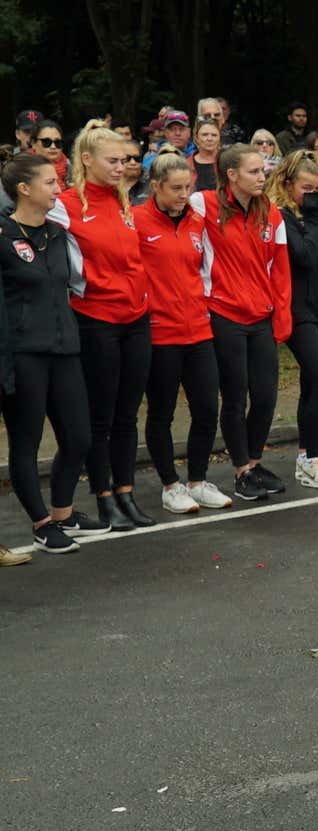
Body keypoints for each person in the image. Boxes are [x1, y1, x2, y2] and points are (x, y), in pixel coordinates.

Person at [50, 122, 154, 531]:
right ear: (87, 160)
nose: (122, 167)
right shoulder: (66, 205)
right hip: (96, 319)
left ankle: (126, 491)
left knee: (128, 413)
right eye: (113, 160)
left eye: (126, 160)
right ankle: (104, 495)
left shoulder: (124, 200)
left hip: (137, 317)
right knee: (102, 416)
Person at [1, 154, 107, 553]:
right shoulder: (4, 235)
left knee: (79, 436)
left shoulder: (58, 234)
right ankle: (41, 523)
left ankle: (63, 512)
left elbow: (77, 284)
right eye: (49, 182)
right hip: (23, 353)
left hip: (65, 348)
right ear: (24, 189)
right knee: (26, 442)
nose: (57, 188)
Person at [191, 143, 293, 501]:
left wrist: (281, 316)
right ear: (231, 174)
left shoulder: (271, 212)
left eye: (263, 170)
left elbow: (280, 270)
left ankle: (254, 460)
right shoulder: (203, 204)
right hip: (224, 315)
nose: (262, 177)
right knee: (235, 396)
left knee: (265, 397)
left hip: (261, 316)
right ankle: (240, 469)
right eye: (254, 171)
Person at [134, 153, 231, 514]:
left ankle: (197, 480)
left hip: (198, 329)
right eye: (176, 188)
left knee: (207, 408)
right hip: (160, 334)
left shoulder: (196, 220)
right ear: (155, 186)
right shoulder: (137, 220)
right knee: (162, 413)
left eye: (188, 187)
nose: (183, 194)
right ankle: (170, 485)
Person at [265, 150, 318, 489]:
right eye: (306, 189)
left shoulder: (315, 216)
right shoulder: (280, 215)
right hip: (298, 311)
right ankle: (311, 458)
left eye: (317, 189)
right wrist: (313, 218)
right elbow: (305, 255)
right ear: (287, 184)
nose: (312, 196)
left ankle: (308, 456)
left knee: (313, 384)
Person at [191, 119, 222, 192]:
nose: (209, 139)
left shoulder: (227, 161)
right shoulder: (186, 164)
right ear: (196, 138)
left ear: (219, 138)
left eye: (214, 135)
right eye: (205, 135)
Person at [122, 140, 152, 206]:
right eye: (127, 158)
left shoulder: (152, 183)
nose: (133, 162)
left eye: (137, 158)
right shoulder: (108, 183)